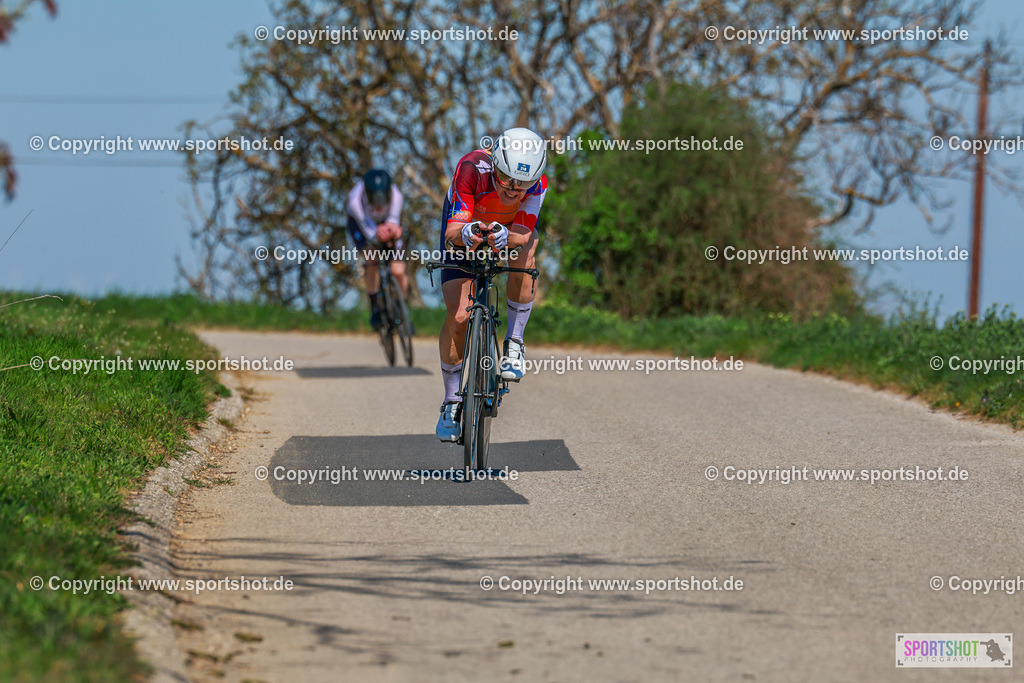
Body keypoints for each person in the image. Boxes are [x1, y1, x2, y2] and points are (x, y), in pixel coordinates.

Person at [435, 127, 548, 441]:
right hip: (466, 224)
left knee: (526, 253)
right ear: (495, 164)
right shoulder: (471, 169)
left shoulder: (538, 184)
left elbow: (522, 236)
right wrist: (468, 233)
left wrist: (504, 237)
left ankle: (514, 342)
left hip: (509, 229)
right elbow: (452, 233)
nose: (514, 189)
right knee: (459, 316)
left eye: (523, 182)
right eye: (507, 177)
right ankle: (452, 400)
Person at [347, 169, 408, 329]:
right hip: (361, 223)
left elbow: (393, 221)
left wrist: (393, 232)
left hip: (385, 222)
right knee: (371, 258)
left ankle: (401, 309)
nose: (379, 206)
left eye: (382, 203)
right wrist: (376, 233)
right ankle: (375, 308)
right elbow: (367, 229)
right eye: (375, 203)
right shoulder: (355, 202)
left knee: (398, 270)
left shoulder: (397, 196)